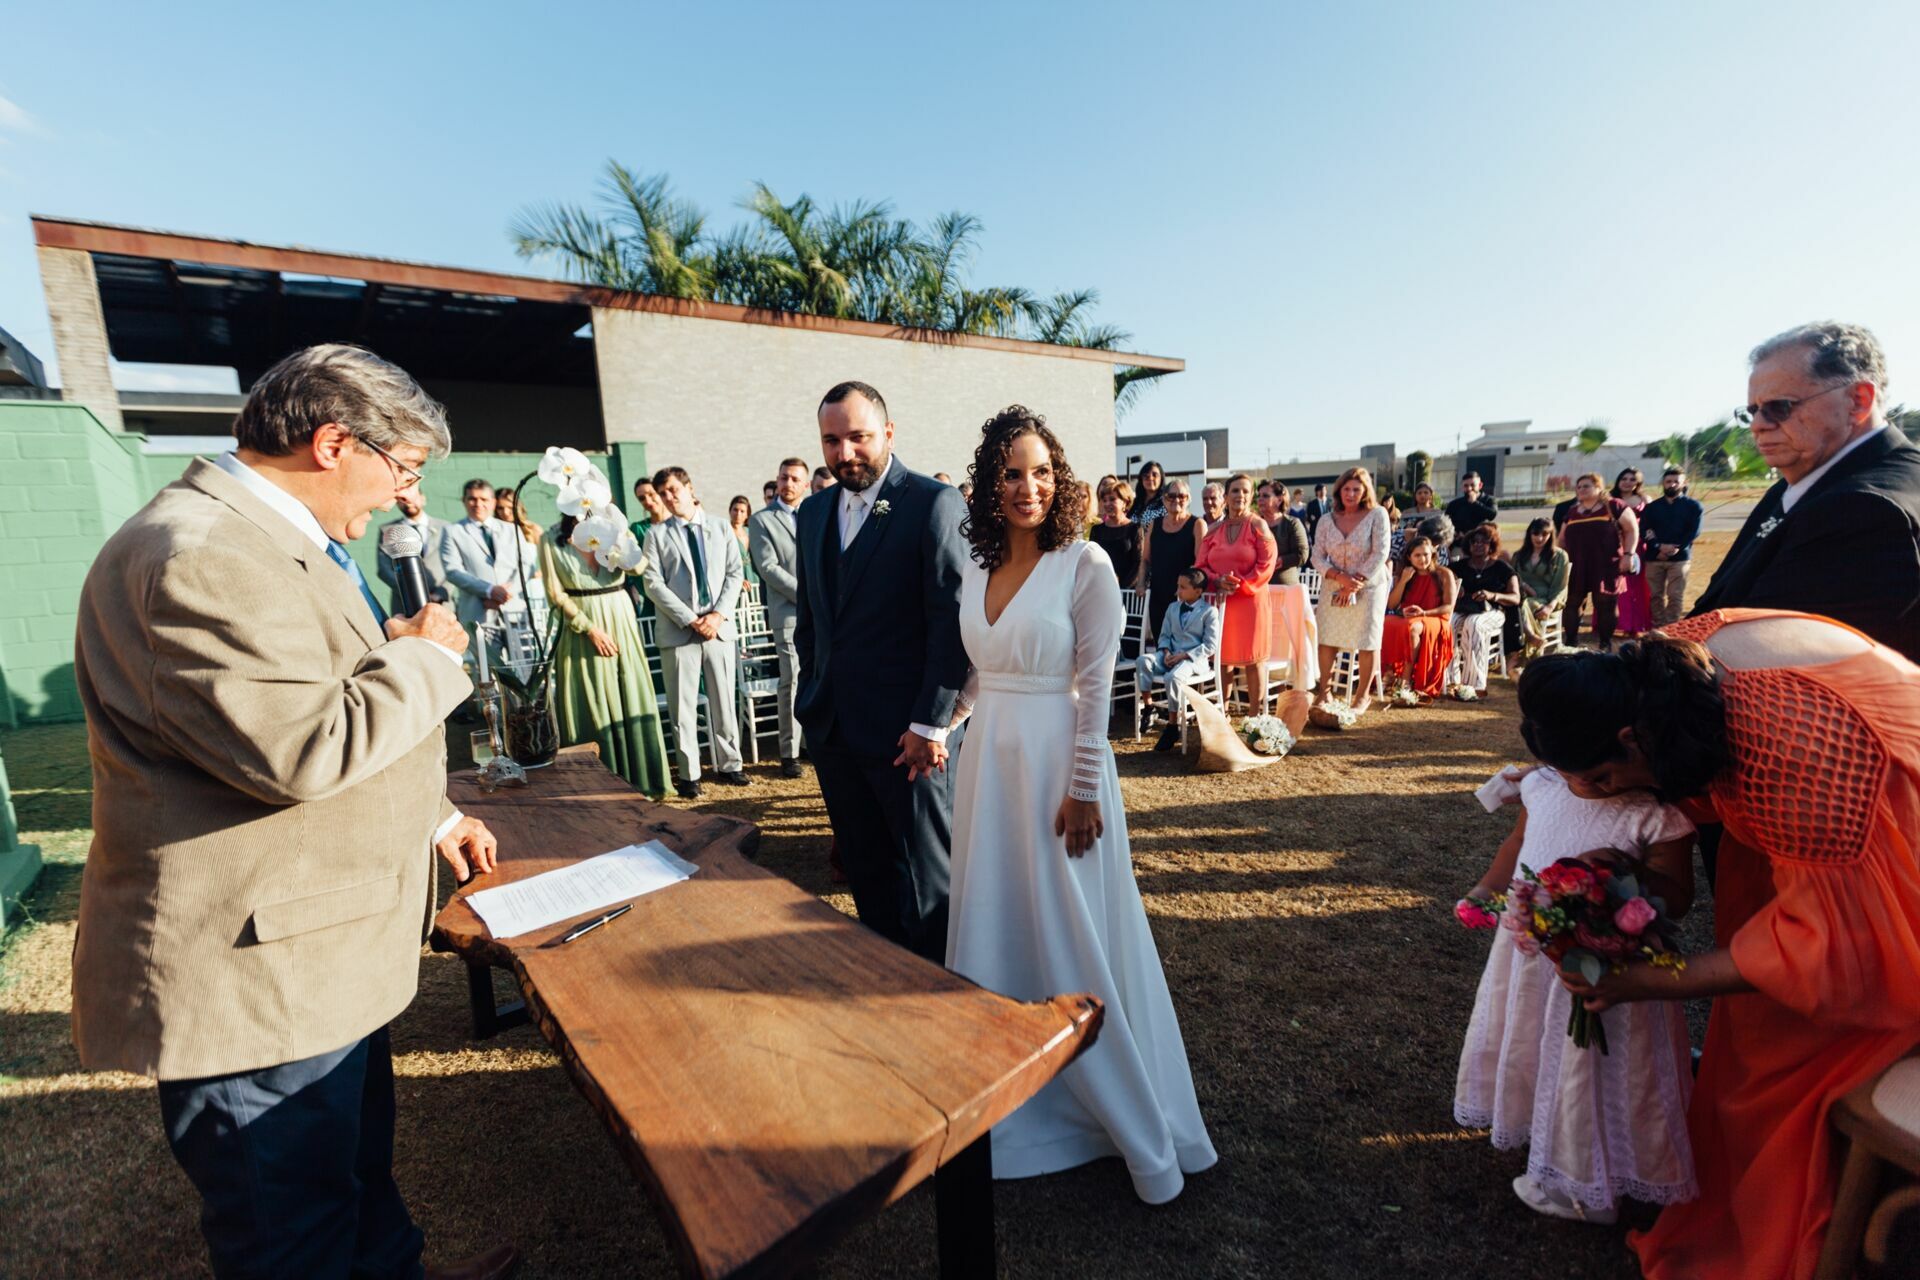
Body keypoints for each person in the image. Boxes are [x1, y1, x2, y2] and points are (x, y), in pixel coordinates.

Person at [69, 344, 514, 1280]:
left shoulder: (269, 541)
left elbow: (308, 698)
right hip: (257, 983)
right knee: (295, 1238)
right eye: (402, 470)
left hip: (314, 962)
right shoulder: (201, 555)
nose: (401, 497)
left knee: (358, 1204)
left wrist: (434, 818)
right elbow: (303, 748)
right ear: (332, 442)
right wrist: (428, 656)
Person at [1519, 616, 1920, 1278]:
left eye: (1604, 783)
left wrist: (1642, 982)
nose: (1606, 800)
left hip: (1888, 847)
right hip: (1811, 848)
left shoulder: (1796, 758)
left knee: (1791, 1054)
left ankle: (1788, 1211)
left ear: (1629, 742)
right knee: (1753, 1031)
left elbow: (1823, 947)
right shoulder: (1656, 674)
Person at [945, 405, 1217, 1203]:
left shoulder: (1085, 563)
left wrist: (1084, 789)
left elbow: (1098, 687)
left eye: (1039, 472)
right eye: (1010, 473)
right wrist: (939, 727)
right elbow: (976, 670)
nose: (1027, 487)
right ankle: (1005, 1094)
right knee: (995, 919)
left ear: (1058, 481)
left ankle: (1117, 1112)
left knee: (1076, 933)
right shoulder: (975, 561)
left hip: (1061, 771)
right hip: (985, 764)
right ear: (989, 486)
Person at [1454, 759, 1698, 1224]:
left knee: (1594, 1066)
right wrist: (1488, 887)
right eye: (1569, 761)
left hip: (1609, 965)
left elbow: (1678, 898)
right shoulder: (1543, 787)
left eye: (1597, 763)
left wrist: (1624, 869)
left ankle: (1587, 1185)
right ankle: (1536, 1126)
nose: (1583, 776)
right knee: (1535, 1042)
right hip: (1533, 955)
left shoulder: (1657, 813)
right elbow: (1520, 842)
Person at [793, 381, 968, 962]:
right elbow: (814, 621)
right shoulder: (814, 512)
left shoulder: (930, 503)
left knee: (925, 882)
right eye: (832, 440)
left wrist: (930, 723)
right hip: (835, 732)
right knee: (866, 875)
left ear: (889, 433)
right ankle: (887, 978)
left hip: (907, 740)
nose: (845, 453)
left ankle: (944, 993)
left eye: (858, 437)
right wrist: (810, 699)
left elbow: (950, 623)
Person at [1691, 321, 1920, 661]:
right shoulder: (1805, 480)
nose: (1758, 424)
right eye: (1752, 410)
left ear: (1857, 400)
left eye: (1779, 407)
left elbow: (1755, 664)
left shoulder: (1863, 509)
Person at [540, 510, 672, 797]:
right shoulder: (551, 539)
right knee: (592, 699)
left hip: (620, 617)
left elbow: (639, 568)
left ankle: (642, 779)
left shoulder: (615, 531)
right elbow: (555, 592)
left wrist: (619, 539)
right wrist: (589, 629)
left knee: (630, 693)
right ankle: (597, 783)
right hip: (581, 628)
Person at [641, 466, 748, 797]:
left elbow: (734, 573)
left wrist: (717, 616)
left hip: (718, 629)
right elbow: (652, 584)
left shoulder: (720, 527)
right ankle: (689, 774)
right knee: (682, 707)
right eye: (662, 494)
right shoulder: (656, 535)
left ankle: (731, 765)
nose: (668, 498)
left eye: (673, 490)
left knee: (724, 700)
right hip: (679, 631)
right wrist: (690, 619)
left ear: (689, 488)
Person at [1310, 467, 1392, 715]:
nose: (1351, 493)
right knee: (1326, 639)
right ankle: (1324, 692)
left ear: (1365, 490)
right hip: (1334, 585)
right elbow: (1317, 556)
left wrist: (1356, 581)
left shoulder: (1377, 515)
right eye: (1346, 488)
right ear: (1339, 491)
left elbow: (1380, 552)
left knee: (1367, 640)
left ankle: (1362, 696)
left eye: (1357, 489)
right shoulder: (1326, 520)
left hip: (1368, 586)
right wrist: (1340, 578)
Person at [1195, 474, 1277, 712]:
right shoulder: (1213, 531)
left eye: (1244, 491)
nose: (1239, 495)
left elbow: (1267, 564)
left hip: (1251, 601)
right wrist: (1217, 581)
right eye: (1234, 491)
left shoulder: (1258, 525)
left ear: (1250, 496)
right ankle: (1224, 710)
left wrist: (1241, 584)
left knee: (1254, 659)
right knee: (1223, 659)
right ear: (1225, 496)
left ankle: (1254, 715)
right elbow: (1200, 566)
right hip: (1221, 602)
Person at [749, 457, 808, 778]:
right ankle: (790, 752)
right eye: (784, 478)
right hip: (789, 613)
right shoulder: (762, 521)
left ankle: (814, 743)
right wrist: (808, 597)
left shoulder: (816, 513)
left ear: (805, 484)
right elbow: (768, 568)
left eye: (795, 479)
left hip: (824, 616)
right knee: (793, 681)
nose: (788, 484)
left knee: (822, 678)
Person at [442, 478, 540, 658]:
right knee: (489, 673)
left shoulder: (512, 530)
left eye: (484, 499)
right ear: (464, 501)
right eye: (472, 498)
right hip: (479, 613)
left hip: (516, 611)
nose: (478, 504)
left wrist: (504, 594)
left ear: (493, 502)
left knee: (526, 668)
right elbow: (453, 570)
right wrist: (489, 591)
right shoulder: (453, 531)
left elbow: (527, 565)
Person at [1137, 566, 1220, 751]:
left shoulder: (1209, 612)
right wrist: (1166, 652)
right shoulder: (1172, 608)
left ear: (1198, 591)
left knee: (1172, 678)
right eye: (1178, 585)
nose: (1178, 590)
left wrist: (1184, 655)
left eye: (1183, 587)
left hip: (1192, 660)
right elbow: (1164, 635)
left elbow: (1210, 645)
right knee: (1143, 661)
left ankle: (1172, 725)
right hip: (1170, 654)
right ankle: (1149, 707)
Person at [1555, 472, 1638, 652]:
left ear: (1599, 488)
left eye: (1586, 486)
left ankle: (1605, 643)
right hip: (1576, 565)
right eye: (1578, 487)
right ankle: (1570, 642)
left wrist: (1629, 555)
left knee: (1605, 604)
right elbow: (1561, 539)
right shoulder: (1572, 511)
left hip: (1606, 564)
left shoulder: (1614, 506)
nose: (1581, 489)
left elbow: (1631, 530)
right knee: (1572, 603)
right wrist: (1560, 561)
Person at [1380, 534, 1455, 698]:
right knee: (1385, 622)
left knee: (1412, 628)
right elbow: (1392, 605)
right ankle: (1390, 671)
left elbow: (1448, 606)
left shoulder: (1444, 573)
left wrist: (1424, 613)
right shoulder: (1406, 574)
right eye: (1417, 555)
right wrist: (1403, 581)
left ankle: (1405, 679)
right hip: (1410, 616)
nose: (1423, 559)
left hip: (1436, 619)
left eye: (1426, 554)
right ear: (1409, 557)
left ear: (1432, 554)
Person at [1450, 524, 1520, 696]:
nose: (1478, 545)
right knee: (1448, 623)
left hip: (1493, 612)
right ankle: (1451, 680)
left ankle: (1474, 685)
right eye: (1474, 542)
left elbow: (1515, 598)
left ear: (1492, 544)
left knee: (1473, 624)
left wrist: (1493, 595)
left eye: (1484, 542)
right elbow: (1444, 585)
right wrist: (1455, 588)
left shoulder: (1502, 568)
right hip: (1464, 608)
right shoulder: (1459, 567)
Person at [1142, 477, 1205, 646]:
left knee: (1182, 647)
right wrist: (1141, 583)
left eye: (1182, 496)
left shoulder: (1197, 524)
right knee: (1161, 644)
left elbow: (1200, 564)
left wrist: (1186, 591)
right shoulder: (1154, 524)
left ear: (1189, 499)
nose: (1176, 500)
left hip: (1185, 598)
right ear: (1163, 499)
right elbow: (1146, 559)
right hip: (1158, 594)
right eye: (1171, 496)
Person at [1639, 466, 1702, 628]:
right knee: (1655, 596)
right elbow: (1644, 530)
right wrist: (1659, 546)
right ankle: (1658, 626)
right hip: (1654, 558)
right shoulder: (1652, 507)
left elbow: (1693, 532)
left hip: (1680, 559)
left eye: (1676, 481)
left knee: (1675, 596)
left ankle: (1672, 628)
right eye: (1668, 481)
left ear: (1684, 483)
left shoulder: (1694, 507)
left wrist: (1677, 548)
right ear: (1663, 483)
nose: (1672, 485)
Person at [375, 490, 451, 616]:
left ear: (423, 498)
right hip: (404, 604)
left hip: (442, 604)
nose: (409, 503)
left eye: (413, 498)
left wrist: (440, 593)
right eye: (402, 500)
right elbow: (384, 570)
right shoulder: (387, 531)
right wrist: (412, 593)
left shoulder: (446, 527)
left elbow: (453, 566)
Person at [1511, 517, 1571, 657]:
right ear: (1529, 534)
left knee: (1522, 605)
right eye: (1536, 534)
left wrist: (1550, 606)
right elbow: (1510, 578)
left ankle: (1526, 650)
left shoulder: (1559, 556)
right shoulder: (1519, 556)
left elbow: (1561, 587)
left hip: (1546, 600)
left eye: (1544, 534)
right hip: (1521, 596)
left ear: (1551, 535)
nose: (1539, 538)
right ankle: (1529, 641)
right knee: (1518, 604)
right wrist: (1524, 585)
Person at [1610, 468, 1652, 636]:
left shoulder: (1644, 499)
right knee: (1615, 587)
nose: (1627, 482)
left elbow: (1651, 522)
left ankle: (1635, 626)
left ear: (1638, 483)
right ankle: (1612, 624)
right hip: (1614, 547)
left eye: (1632, 479)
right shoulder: (1611, 500)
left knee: (1636, 588)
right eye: (1624, 478)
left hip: (1636, 548)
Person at [1090, 477, 1148, 591]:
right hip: (1101, 589)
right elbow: (1092, 562)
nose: (1107, 504)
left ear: (1125, 502)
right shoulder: (1096, 530)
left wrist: (1120, 587)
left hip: (1126, 591)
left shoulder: (1135, 529)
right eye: (1104, 500)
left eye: (1112, 499)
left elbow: (1138, 563)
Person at [1259, 481, 1310, 585]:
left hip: (1286, 589)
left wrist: (1280, 561)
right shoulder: (1253, 525)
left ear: (1279, 500)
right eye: (1259, 495)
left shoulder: (1292, 524)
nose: (1259, 499)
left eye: (1265, 496)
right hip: (1260, 588)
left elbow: (1302, 554)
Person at [1445, 471, 1498, 551]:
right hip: (1460, 546)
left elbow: (1492, 515)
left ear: (1480, 485)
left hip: (1483, 546)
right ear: (1462, 487)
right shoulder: (1454, 504)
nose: (1469, 488)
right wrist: (1455, 533)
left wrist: (1474, 503)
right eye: (1466, 486)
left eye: (1473, 485)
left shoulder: (1489, 500)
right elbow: (1446, 522)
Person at [727, 494, 759, 588]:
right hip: (735, 579)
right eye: (735, 510)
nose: (738, 514)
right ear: (730, 511)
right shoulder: (726, 532)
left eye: (742, 511)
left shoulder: (751, 532)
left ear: (747, 514)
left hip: (754, 578)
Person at [1129, 459, 1166, 526]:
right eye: (1146, 476)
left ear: (1161, 479)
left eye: (1155, 475)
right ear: (1141, 480)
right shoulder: (1135, 503)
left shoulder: (1166, 503)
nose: (1150, 478)